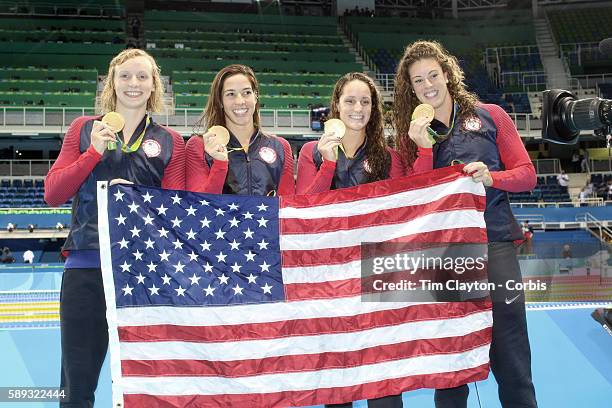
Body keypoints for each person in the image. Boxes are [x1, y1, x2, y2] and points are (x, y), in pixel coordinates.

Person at [393, 40, 538, 408]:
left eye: (432, 75)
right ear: (410, 88)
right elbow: (415, 200)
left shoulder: (490, 115)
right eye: (418, 80)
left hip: (496, 244)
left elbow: (527, 175)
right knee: (451, 361)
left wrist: (493, 178)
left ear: (447, 74)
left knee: (512, 354)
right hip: (446, 255)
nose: (427, 85)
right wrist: (423, 149)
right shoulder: (410, 137)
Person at [44, 48, 185, 407]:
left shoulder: (171, 142)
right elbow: (53, 193)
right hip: (87, 268)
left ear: (154, 85)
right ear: (112, 83)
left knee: (150, 389)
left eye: (142, 76)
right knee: (77, 389)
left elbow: (177, 214)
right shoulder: (83, 129)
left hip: (144, 274)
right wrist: (92, 153)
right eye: (125, 76)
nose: (133, 84)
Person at [296, 72, 431, 407]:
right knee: (338, 383)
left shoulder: (390, 157)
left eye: (365, 101)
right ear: (337, 105)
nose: (358, 108)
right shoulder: (312, 152)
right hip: (331, 280)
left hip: (377, 275)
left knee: (383, 381)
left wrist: (426, 151)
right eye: (350, 100)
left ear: (374, 108)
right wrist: (328, 165)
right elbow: (302, 210)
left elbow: (417, 198)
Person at [185, 64, 294, 196]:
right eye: (231, 94)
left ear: (256, 96)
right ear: (220, 101)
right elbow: (198, 206)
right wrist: (219, 164)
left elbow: (287, 207)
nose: (240, 101)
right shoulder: (198, 146)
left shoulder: (280, 147)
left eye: (246, 92)